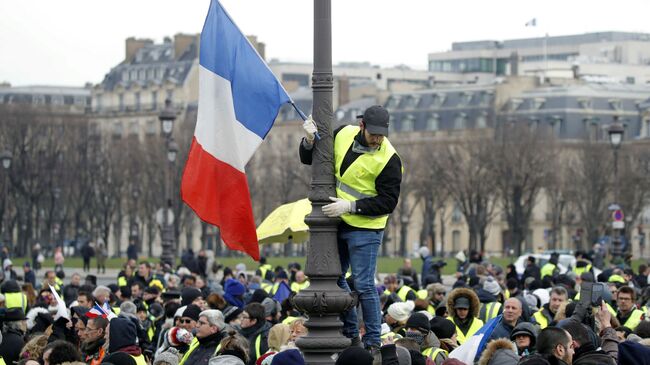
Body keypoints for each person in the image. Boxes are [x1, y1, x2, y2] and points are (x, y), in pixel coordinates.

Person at [299, 105, 402, 352]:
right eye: (374, 133)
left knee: (365, 285)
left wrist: (351, 206)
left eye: (382, 135)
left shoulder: (389, 159)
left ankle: (372, 342)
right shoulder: (343, 133)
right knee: (334, 278)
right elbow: (310, 159)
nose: (378, 139)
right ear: (361, 126)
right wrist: (309, 140)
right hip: (339, 221)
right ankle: (351, 331)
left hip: (365, 227)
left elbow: (389, 202)